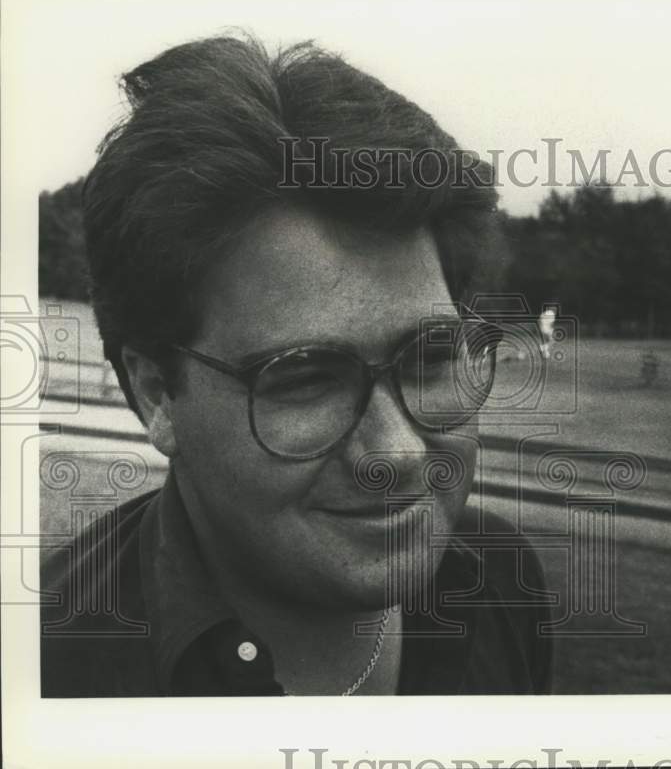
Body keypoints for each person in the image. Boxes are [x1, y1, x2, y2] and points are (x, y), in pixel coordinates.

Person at [40, 34, 552, 696]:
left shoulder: (501, 583)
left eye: (429, 360)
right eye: (308, 378)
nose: (396, 452)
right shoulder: (49, 677)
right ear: (156, 390)